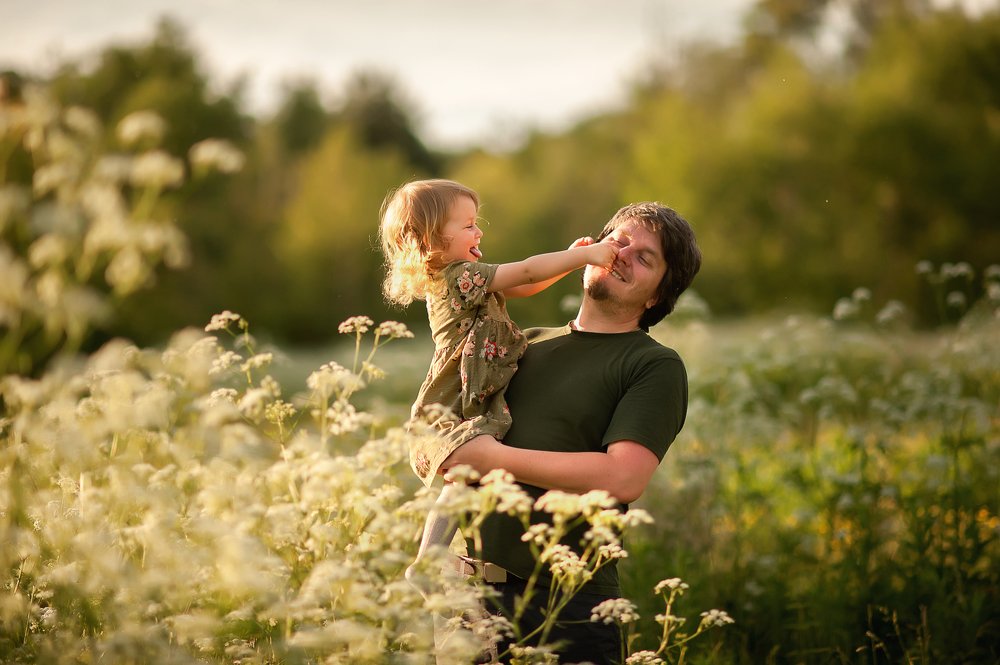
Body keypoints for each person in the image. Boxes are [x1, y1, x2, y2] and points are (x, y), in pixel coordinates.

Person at [441, 201, 702, 664]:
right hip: (466, 599)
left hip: (564, 606)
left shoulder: (652, 365)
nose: (623, 255)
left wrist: (492, 460)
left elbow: (624, 477)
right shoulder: (520, 343)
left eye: (645, 258)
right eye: (619, 241)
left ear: (657, 297)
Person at [377, 179, 618, 592]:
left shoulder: (465, 277)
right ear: (433, 240)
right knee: (462, 474)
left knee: (465, 477)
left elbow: (523, 284)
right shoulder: (457, 277)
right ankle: (426, 562)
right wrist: (585, 256)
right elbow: (525, 270)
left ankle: (430, 562)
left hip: (476, 386)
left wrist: (570, 261)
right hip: (461, 394)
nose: (478, 232)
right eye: (468, 225)